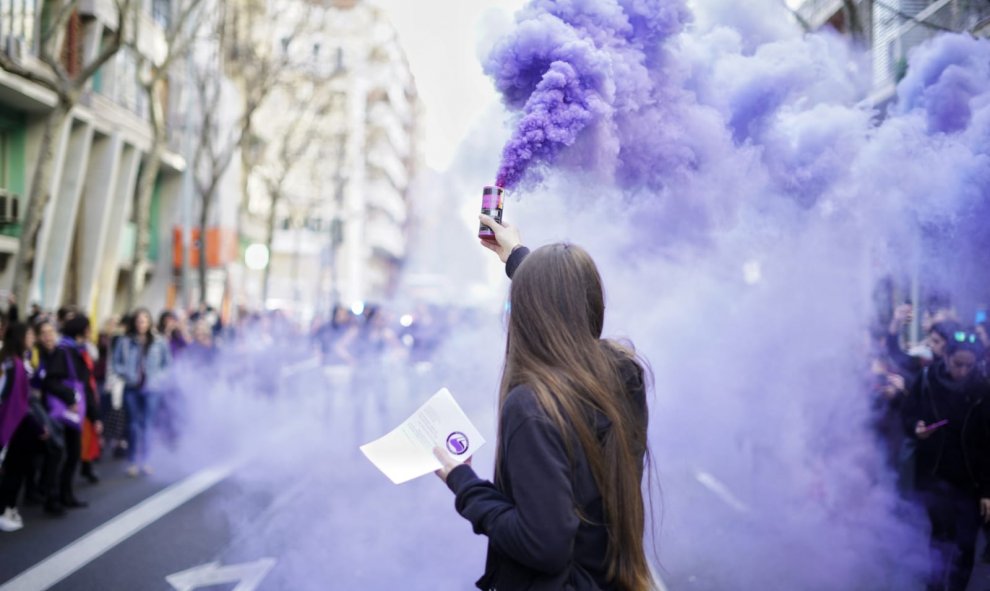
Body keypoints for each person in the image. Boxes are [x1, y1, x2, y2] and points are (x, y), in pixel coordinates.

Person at [433, 214, 654, 591]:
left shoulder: (533, 406)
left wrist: (463, 482)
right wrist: (517, 256)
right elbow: (564, 306)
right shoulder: (623, 379)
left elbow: (544, 545)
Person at [902, 334, 990, 591]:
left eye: (968, 366)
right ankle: (935, 585)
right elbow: (908, 414)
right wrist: (915, 428)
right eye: (957, 364)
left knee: (965, 543)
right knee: (940, 536)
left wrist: (987, 490)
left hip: (970, 480)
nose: (962, 371)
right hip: (934, 474)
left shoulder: (982, 389)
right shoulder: (927, 380)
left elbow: (988, 442)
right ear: (946, 357)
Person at [35, 317, 98, 509]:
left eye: (51, 333)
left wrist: (94, 416)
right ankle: (53, 497)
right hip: (63, 410)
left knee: (72, 454)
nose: (49, 337)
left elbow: (85, 384)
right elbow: (51, 382)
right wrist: (70, 398)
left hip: (74, 411)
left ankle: (65, 494)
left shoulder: (76, 350)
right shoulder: (65, 352)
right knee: (60, 455)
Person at [112, 308, 171, 477]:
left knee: (148, 424)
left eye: (144, 321)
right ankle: (132, 461)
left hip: (152, 388)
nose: (141, 324)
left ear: (150, 322)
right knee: (132, 425)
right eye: (138, 321)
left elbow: (167, 364)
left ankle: (145, 460)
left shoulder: (159, 341)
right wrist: (126, 374)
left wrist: (159, 378)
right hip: (132, 387)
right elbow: (116, 362)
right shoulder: (125, 341)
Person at [0, 323, 42, 530]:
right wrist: (37, 427)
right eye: (30, 334)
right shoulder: (15, 364)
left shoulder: (11, 361)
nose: (33, 338)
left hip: (13, 422)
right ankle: (6, 510)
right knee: (15, 469)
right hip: (15, 425)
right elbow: (16, 403)